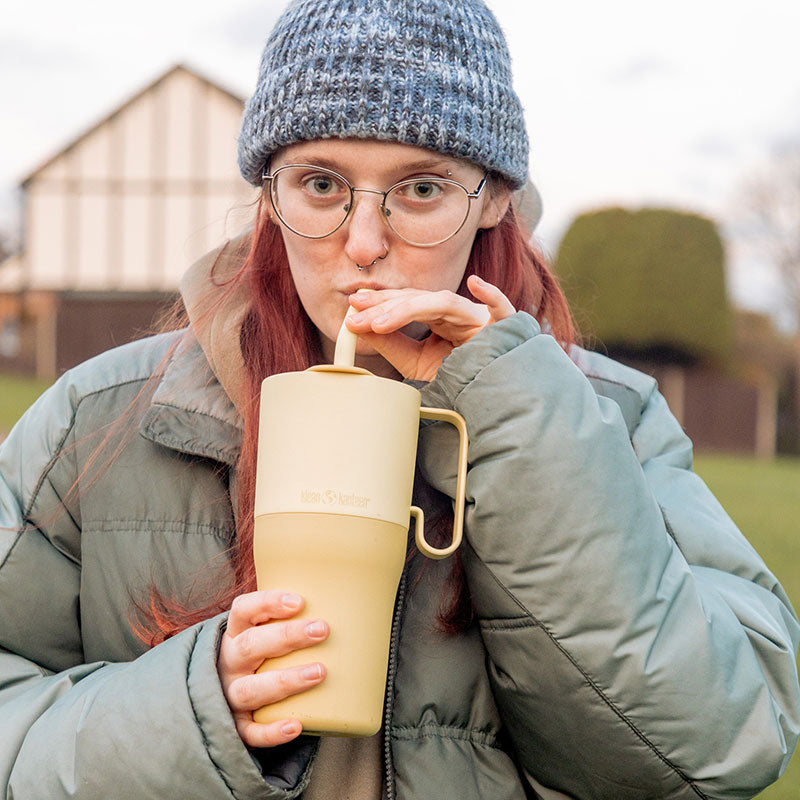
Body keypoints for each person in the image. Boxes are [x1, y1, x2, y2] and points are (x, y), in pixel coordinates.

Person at [1, 1, 798, 798]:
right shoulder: (101, 417)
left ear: (492, 200)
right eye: (320, 185)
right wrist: (193, 712)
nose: (364, 244)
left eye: (420, 189)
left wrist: (517, 422)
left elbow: (724, 745)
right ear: (268, 197)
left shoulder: (608, 422)